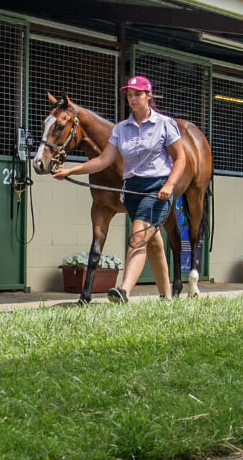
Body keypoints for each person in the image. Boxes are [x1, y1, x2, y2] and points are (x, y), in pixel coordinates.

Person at [53, 75, 185, 303]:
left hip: (156, 187)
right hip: (132, 189)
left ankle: (123, 290)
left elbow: (180, 158)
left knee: (138, 236)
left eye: (137, 94)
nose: (132, 99)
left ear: (148, 95)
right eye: (129, 95)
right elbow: (103, 160)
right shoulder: (121, 129)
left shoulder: (164, 124)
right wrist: (70, 171)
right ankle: (167, 299)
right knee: (153, 242)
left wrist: (170, 184)